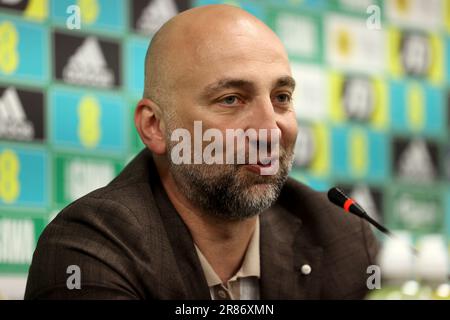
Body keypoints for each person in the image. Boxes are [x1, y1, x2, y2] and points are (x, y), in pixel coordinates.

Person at [25, 4, 379, 300]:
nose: (270, 130)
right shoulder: (89, 246)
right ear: (155, 126)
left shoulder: (341, 238)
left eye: (281, 98)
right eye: (231, 99)